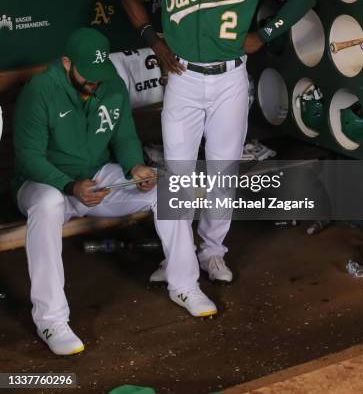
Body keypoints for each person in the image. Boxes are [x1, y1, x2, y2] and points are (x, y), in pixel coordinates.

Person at [122, 0, 315, 287]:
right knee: (176, 173)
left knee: (221, 170)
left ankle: (212, 251)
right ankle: (176, 259)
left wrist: (265, 33)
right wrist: (153, 42)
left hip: (229, 78)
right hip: (183, 78)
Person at [12, 28, 217, 356]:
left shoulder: (111, 83)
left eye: (99, 73)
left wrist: (136, 167)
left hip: (96, 179)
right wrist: (69, 186)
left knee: (168, 190)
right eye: (87, 74)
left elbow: (123, 138)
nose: (95, 82)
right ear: (67, 63)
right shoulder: (41, 90)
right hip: (47, 184)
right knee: (48, 205)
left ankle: (184, 285)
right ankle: (51, 319)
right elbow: (29, 158)